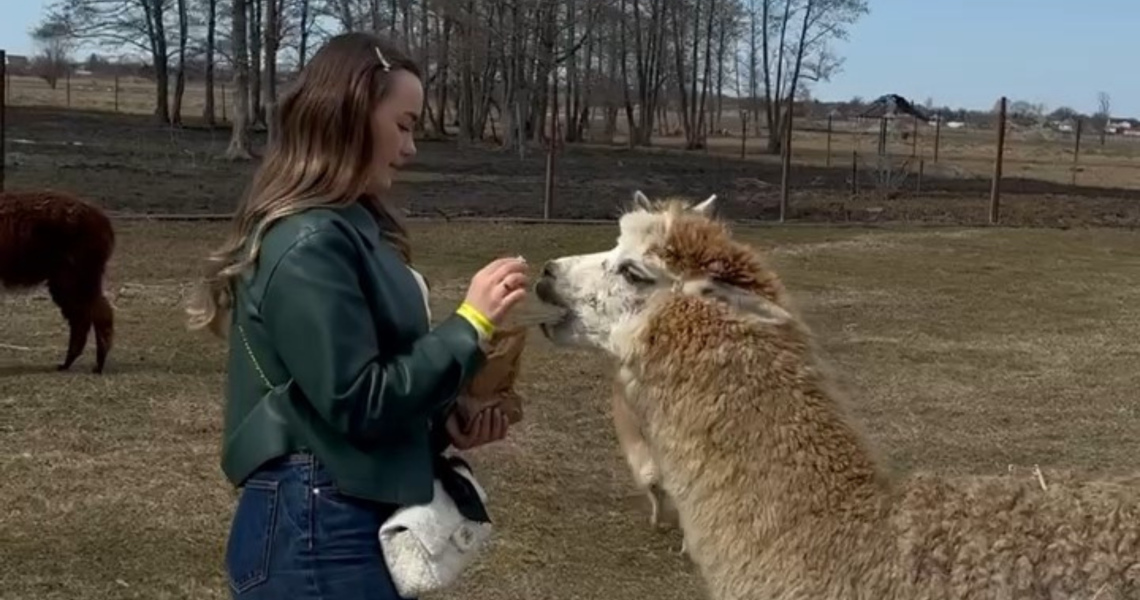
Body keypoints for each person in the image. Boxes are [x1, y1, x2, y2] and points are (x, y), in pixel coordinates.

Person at [185, 31, 528, 600]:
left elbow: (357, 389)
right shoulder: (308, 241)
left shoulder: (349, 231)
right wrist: (470, 323)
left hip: (340, 510)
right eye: (404, 124)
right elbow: (353, 398)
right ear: (348, 117)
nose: (412, 146)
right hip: (314, 520)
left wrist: (447, 420)